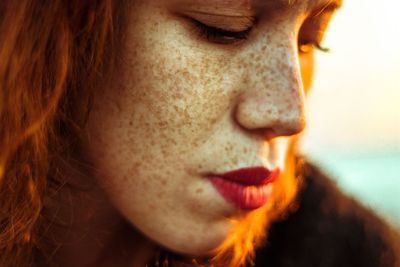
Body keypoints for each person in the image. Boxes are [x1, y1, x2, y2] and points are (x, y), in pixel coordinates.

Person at [0, 0, 399, 266]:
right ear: (62, 29)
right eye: (224, 28)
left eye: (309, 41)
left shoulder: (347, 253)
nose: (291, 115)